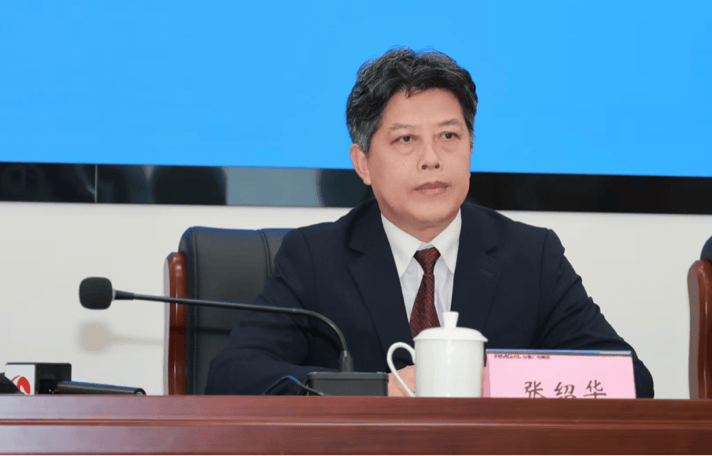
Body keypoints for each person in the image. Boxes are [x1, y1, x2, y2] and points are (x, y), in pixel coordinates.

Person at [206, 48, 654, 397]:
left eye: (449, 136)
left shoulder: (530, 257)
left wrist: (497, 382)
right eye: (406, 139)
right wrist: (382, 390)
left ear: (470, 149)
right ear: (363, 163)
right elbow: (233, 376)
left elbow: (630, 379)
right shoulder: (315, 258)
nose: (432, 159)